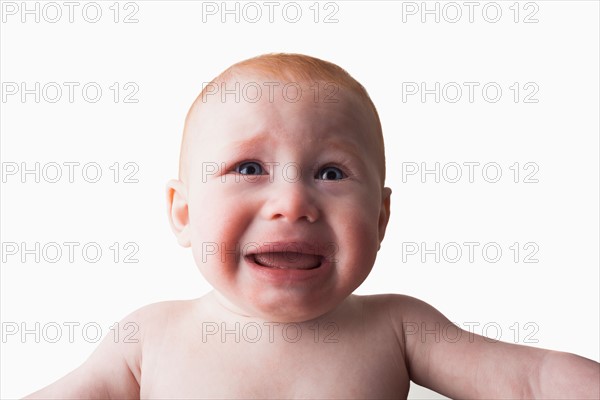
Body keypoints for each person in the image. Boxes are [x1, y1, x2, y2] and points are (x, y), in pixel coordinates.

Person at [26, 53, 600, 399]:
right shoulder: (148, 337)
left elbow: (532, 382)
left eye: (330, 172)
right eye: (248, 167)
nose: (292, 203)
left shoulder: (398, 327)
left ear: (380, 217)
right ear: (183, 213)